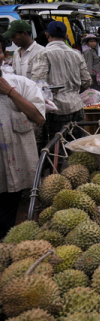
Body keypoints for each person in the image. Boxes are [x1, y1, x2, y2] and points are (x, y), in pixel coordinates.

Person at [0, 35, 46, 239]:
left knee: (7, 222)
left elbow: (38, 117)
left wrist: (10, 92)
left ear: (3, 55)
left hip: (12, 172)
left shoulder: (21, 84)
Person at [31, 21, 91, 141]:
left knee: (57, 150)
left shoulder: (43, 53)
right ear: (66, 37)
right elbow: (87, 81)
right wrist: (73, 92)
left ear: (47, 35)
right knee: (77, 147)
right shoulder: (76, 54)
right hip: (77, 106)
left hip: (56, 109)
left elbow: (37, 82)